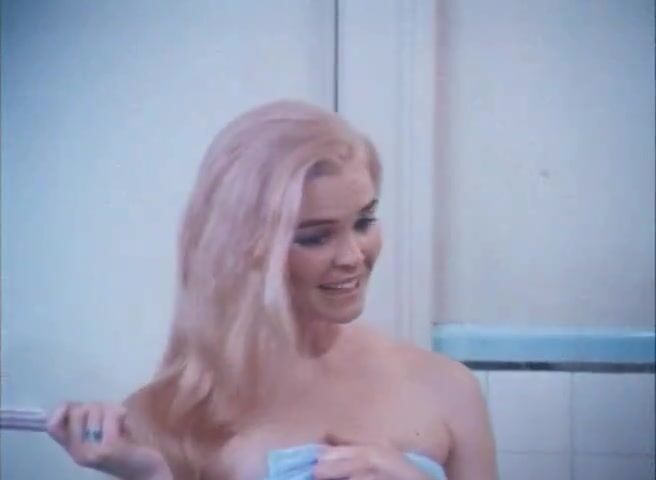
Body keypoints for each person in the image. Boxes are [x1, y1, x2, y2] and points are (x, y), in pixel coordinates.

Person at [47, 100, 497, 480]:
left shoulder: (446, 386)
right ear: (244, 248)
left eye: (363, 222)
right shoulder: (164, 419)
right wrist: (153, 475)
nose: (352, 256)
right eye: (315, 237)